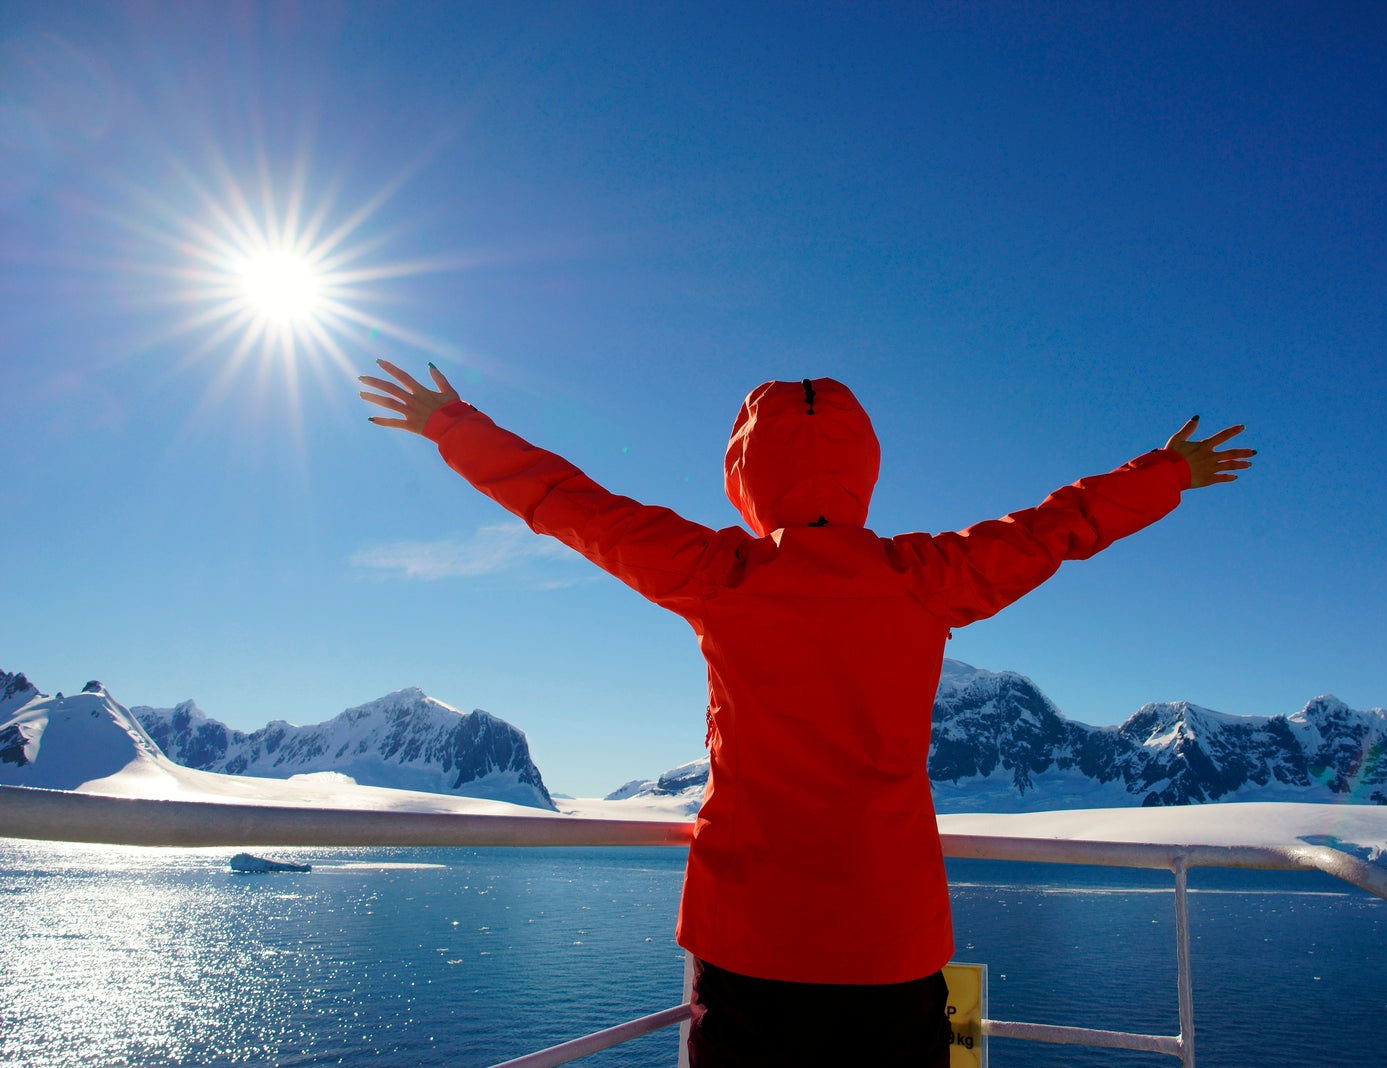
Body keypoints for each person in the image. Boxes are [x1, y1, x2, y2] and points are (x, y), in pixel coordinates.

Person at [358, 360, 1252, 1066]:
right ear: (864, 469)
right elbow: (1060, 524)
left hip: (752, 946)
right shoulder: (925, 577)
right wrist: (1167, 471)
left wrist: (453, 426)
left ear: (746, 473)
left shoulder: (723, 574)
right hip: (894, 949)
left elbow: (572, 504)